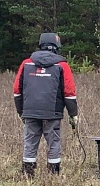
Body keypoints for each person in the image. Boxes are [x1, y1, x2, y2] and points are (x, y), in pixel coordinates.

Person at [13, 32, 78, 177]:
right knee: (54, 143)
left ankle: (27, 174)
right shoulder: (62, 65)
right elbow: (69, 92)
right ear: (56, 46)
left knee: (30, 142)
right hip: (52, 112)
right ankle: (53, 175)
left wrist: (20, 111)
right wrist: (73, 114)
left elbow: (17, 90)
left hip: (29, 111)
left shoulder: (26, 63)